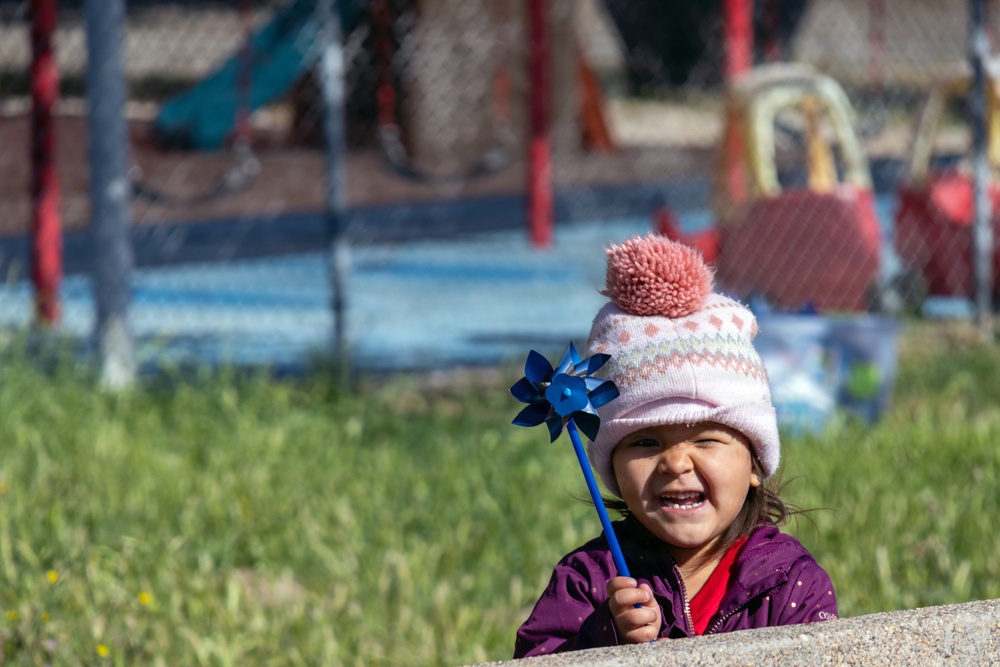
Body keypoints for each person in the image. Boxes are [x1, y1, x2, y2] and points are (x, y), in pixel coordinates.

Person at [513, 234, 837, 658]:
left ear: (755, 463)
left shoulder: (789, 582)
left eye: (706, 439)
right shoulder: (589, 580)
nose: (676, 462)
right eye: (646, 441)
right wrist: (603, 640)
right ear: (612, 465)